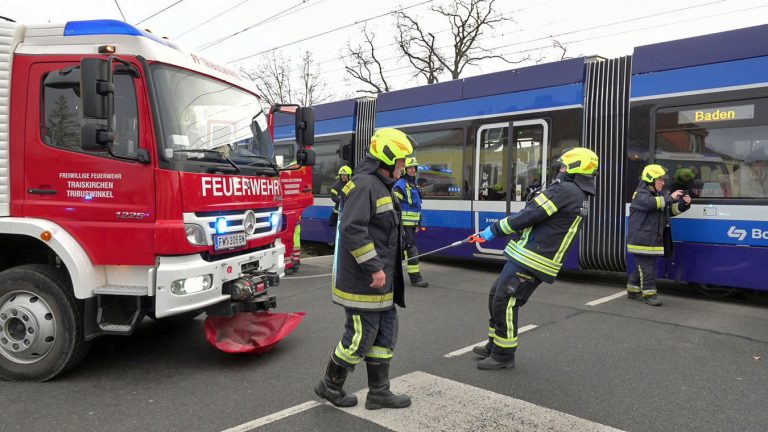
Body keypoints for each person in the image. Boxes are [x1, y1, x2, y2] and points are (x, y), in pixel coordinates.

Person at [469, 147, 599, 370]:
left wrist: (492, 232)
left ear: (575, 168)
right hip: (529, 255)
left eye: (565, 166)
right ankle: (495, 343)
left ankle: (503, 355)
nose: (560, 169)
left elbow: (530, 214)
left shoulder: (566, 190)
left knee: (505, 301)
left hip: (534, 258)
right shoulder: (579, 193)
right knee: (496, 295)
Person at [314, 128, 412, 410]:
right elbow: (352, 229)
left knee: (384, 334)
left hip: (382, 282)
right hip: (364, 282)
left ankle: (379, 392)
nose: (404, 167)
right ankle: (330, 385)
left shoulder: (382, 186)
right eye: (402, 161)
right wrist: (374, 267)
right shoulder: (365, 185)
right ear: (389, 158)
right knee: (360, 336)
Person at [626, 164, 691, 306]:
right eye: (659, 179)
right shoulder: (641, 194)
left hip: (650, 239)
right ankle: (649, 295)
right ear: (650, 180)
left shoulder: (658, 196)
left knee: (643, 266)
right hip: (641, 240)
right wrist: (670, 197)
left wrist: (683, 205)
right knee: (647, 268)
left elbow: (669, 211)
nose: (663, 182)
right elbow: (650, 204)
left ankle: (632, 289)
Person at [393, 157, 429, 288]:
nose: (413, 170)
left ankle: (390, 277)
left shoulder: (413, 184)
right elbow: (394, 206)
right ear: (405, 170)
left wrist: (419, 223)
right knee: (410, 250)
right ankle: (415, 279)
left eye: (414, 168)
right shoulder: (401, 185)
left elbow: (417, 206)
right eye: (410, 168)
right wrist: (400, 225)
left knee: (401, 250)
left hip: (411, 225)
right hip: (404, 225)